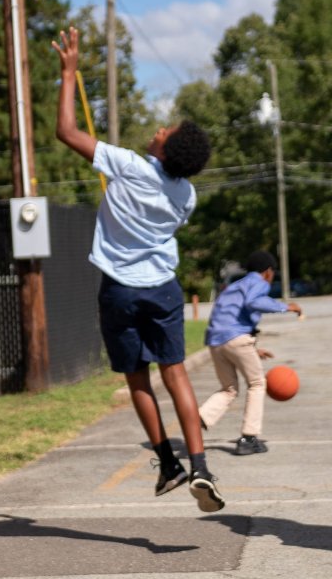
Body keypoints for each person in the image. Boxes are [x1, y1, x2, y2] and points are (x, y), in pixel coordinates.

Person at [52, 28, 223, 512]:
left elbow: (67, 132)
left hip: (120, 291)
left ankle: (168, 464)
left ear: (165, 150)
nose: (160, 128)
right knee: (176, 374)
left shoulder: (128, 165)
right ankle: (200, 465)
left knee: (138, 379)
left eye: (166, 131)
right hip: (163, 289)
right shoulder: (186, 195)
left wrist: (69, 73)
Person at [200, 250, 301, 453]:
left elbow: (229, 318)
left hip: (215, 340)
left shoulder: (234, 287)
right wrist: (285, 307)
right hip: (236, 338)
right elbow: (253, 302)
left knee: (229, 388)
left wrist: (252, 348)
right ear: (267, 272)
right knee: (257, 383)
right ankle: (248, 438)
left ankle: (198, 418)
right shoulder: (258, 282)